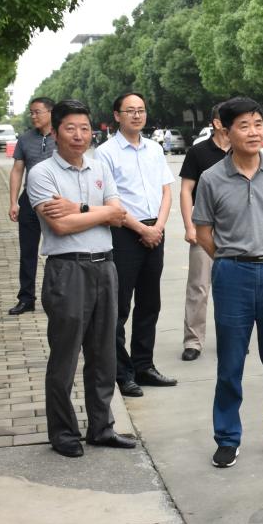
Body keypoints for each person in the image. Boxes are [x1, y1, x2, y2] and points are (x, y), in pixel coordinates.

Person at [193, 97, 263, 469]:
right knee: (230, 362)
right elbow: (203, 231)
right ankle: (227, 438)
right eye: (244, 125)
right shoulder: (211, 178)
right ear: (226, 131)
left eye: (258, 123)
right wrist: (229, 258)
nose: (254, 132)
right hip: (232, 275)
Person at [25, 99, 135, 458]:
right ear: (56, 132)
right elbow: (60, 225)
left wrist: (81, 209)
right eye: (70, 128)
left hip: (105, 267)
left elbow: (120, 214)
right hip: (67, 270)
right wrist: (100, 213)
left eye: (85, 128)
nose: (79, 135)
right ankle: (63, 432)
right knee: (65, 356)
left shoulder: (99, 166)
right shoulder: (42, 174)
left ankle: (101, 427)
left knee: (104, 354)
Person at [95, 92, 178, 398]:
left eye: (141, 110)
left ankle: (144, 366)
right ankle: (122, 373)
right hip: (124, 233)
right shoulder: (105, 153)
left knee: (150, 302)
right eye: (130, 110)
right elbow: (110, 201)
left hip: (155, 230)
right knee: (119, 307)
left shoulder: (154, 148)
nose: (136, 115)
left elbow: (166, 191)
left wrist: (158, 227)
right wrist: (142, 229)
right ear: (117, 115)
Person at [179, 103, 230, 362]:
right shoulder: (198, 152)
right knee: (199, 286)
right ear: (217, 123)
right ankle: (193, 342)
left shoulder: (241, 151)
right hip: (204, 226)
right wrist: (189, 226)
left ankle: (232, 338)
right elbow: (186, 190)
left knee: (231, 287)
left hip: (235, 229)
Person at [7, 97, 56, 315]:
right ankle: (26, 298)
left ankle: (57, 297)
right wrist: (13, 202)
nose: (33, 116)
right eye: (31, 112)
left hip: (56, 200)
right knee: (28, 251)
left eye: (37, 112)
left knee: (58, 250)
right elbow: (17, 170)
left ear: (51, 113)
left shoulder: (62, 136)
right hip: (29, 200)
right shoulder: (25, 139)